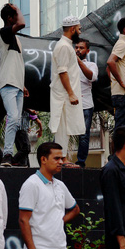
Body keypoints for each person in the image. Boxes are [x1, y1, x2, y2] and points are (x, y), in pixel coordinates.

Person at [19, 142, 80, 249]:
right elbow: (23, 221)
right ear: (43, 159)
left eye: (62, 158)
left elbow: (75, 209)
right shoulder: (31, 184)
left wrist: (58, 222)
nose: (61, 162)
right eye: (56, 158)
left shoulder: (60, 185)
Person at [49, 16, 84, 154]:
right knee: (62, 127)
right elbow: (62, 72)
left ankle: (62, 158)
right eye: (79, 29)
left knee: (66, 126)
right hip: (63, 94)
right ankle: (60, 158)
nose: (80, 32)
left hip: (66, 93)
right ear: (72, 29)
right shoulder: (64, 46)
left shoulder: (66, 45)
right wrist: (70, 93)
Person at [0, 4, 27, 167]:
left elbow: (17, 62)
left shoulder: (15, 38)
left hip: (17, 83)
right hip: (7, 82)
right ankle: (7, 155)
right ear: (10, 18)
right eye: (15, 15)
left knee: (16, 120)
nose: (18, 17)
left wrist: (23, 85)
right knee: (13, 117)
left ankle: (9, 155)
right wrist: (17, 9)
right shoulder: (3, 33)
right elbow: (22, 23)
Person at [75, 39, 98, 168]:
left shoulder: (91, 65)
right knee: (63, 132)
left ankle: (80, 162)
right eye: (76, 47)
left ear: (87, 51)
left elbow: (91, 77)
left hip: (85, 105)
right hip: (69, 104)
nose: (78, 50)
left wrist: (78, 61)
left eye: (81, 48)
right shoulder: (68, 64)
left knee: (84, 136)